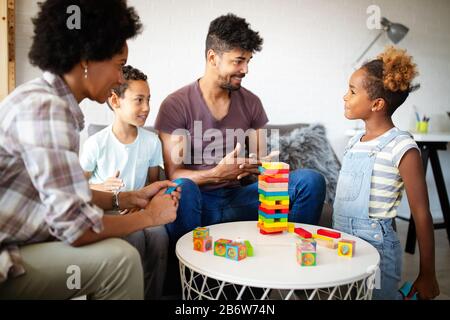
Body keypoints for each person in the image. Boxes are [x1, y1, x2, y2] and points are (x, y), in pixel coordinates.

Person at [0, 0, 179, 300]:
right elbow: (75, 228)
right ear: (86, 58)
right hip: (7, 255)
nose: (119, 79)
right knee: (121, 261)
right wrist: (149, 217)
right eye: (119, 66)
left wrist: (128, 197)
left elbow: (63, 194)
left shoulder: (44, 100)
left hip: (19, 239)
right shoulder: (46, 108)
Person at [155, 13, 326, 244]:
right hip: (198, 203)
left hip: (239, 199)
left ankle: (290, 258)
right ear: (213, 57)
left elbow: (260, 163)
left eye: (248, 61)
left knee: (310, 180)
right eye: (238, 61)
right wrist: (216, 174)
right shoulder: (176, 105)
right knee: (182, 187)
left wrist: (256, 167)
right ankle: (185, 275)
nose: (245, 69)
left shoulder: (252, 102)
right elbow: (175, 175)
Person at [333, 46, 440, 300]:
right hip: (343, 241)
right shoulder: (354, 142)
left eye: (352, 91)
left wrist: (427, 274)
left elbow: (422, 215)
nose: (344, 96)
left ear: (377, 104)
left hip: (377, 246)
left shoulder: (402, 146)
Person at [80, 65, 167, 299]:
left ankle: (153, 295)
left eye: (148, 99)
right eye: (139, 100)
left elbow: (152, 184)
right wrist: (100, 187)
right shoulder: (96, 144)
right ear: (115, 101)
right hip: (109, 211)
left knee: (159, 234)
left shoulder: (152, 142)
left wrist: (142, 205)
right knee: (135, 236)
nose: (147, 107)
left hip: (138, 207)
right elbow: (77, 191)